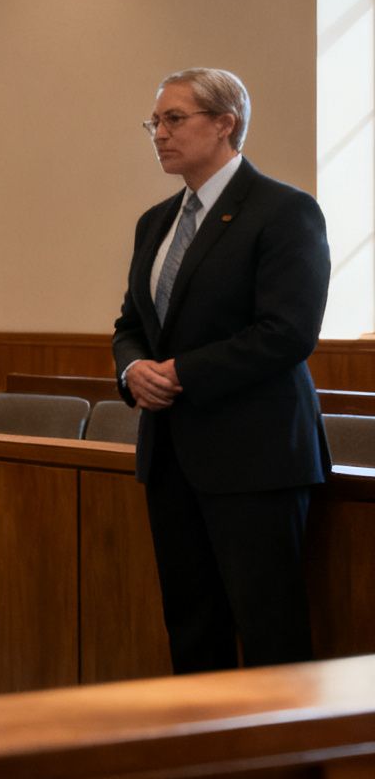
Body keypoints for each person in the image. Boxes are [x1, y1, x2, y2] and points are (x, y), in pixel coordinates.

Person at [112, 68, 329, 672]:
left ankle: (281, 765)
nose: (158, 133)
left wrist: (180, 373)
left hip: (255, 456)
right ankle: (204, 758)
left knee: (269, 631)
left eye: (174, 119)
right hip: (171, 454)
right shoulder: (155, 222)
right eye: (154, 122)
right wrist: (133, 371)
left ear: (225, 123)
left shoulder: (284, 210)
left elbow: (288, 332)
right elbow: (132, 325)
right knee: (190, 624)